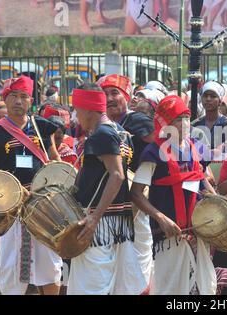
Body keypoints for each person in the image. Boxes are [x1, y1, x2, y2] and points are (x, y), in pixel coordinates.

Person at [130, 95, 217, 295]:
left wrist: (220, 206)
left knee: (205, 288)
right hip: (169, 235)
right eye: (178, 119)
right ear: (164, 123)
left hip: (198, 231)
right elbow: (136, 193)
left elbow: (201, 179)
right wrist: (161, 219)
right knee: (170, 289)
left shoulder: (196, 147)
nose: (184, 123)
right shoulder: (153, 151)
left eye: (186, 117)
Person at [0, 76, 62, 295]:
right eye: (13, 96)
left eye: (23, 97)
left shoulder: (42, 127)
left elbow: (55, 162)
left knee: (49, 263)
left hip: (44, 205)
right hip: (11, 207)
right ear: (5, 99)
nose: (18, 101)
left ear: (31, 100)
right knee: (11, 265)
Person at [67, 84, 141, 295]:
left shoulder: (102, 133)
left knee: (89, 287)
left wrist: (94, 219)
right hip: (115, 224)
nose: (75, 115)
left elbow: (117, 175)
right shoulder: (121, 132)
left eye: (77, 109)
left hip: (100, 225)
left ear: (89, 109)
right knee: (113, 286)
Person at [97, 74, 155, 294]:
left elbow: (161, 147)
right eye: (105, 93)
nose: (109, 98)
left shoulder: (136, 121)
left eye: (115, 93)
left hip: (135, 204)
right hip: (112, 204)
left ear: (127, 96)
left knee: (136, 266)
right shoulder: (102, 124)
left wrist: (145, 175)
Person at [192, 81, 227, 150]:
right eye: (205, 96)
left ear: (220, 101)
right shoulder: (195, 124)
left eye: (213, 96)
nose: (208, 99)